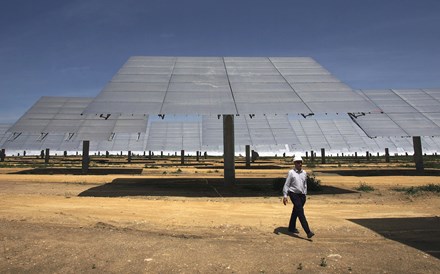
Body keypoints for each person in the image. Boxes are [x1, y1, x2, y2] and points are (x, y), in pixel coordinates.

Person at [282, 155, 314, 238]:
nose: (299, 164)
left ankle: (291, 227)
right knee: (300, 212)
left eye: (300, 162)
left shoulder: (304, 173)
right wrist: (285, 196)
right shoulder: (291, 173)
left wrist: (305, 194)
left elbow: (305, 184)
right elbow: (287, 184)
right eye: (298, 162)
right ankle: (308, 231)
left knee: (296, 211)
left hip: (302, 195)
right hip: (293, 193)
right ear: (294, 163)